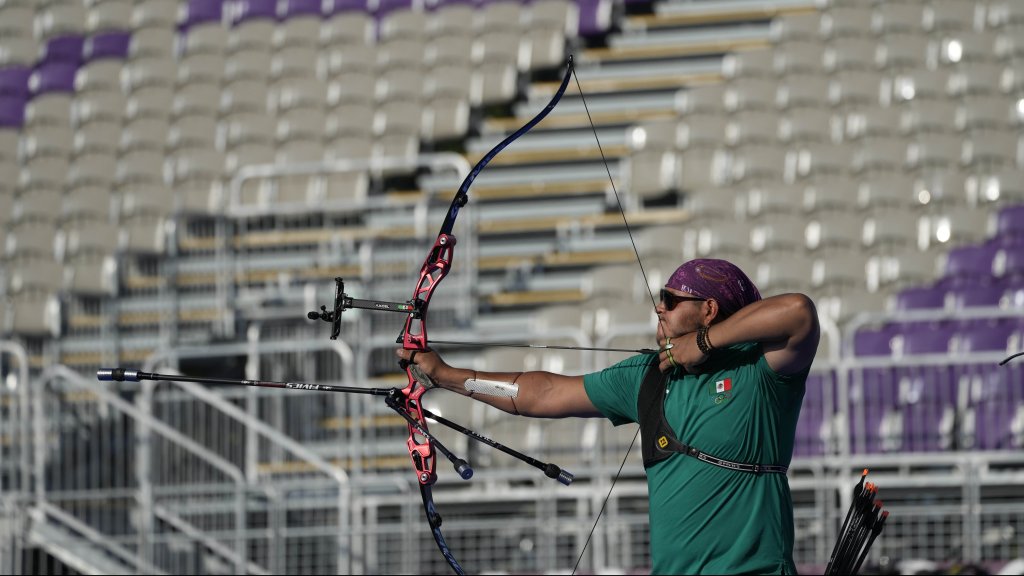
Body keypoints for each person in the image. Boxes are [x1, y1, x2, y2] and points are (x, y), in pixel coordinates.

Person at [397, 258, 820, 575]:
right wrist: (446, 375)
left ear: (709, 310)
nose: (659, 308)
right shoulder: (648, 376)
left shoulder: (761, 371)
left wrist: (705, 343)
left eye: (671, 300)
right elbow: (542, 394)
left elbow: (799, 312)